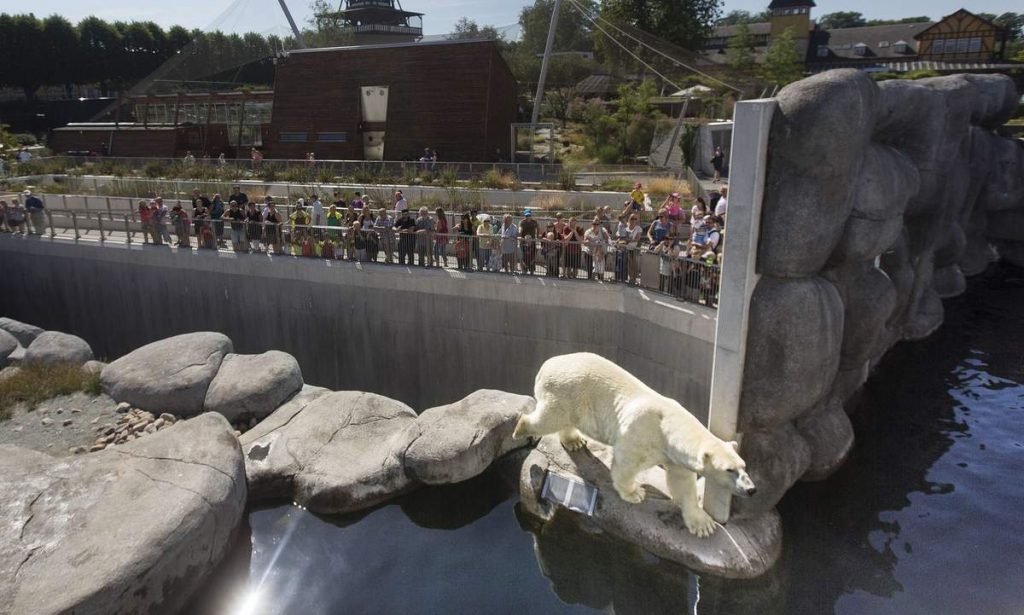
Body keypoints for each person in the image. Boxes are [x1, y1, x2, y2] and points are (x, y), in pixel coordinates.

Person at [519, 208, 539, 274]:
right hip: (524, 242)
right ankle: (523, 271)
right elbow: (520, 230)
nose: (528, 217)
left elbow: (537, 228)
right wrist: (520, 236)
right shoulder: (522, 222)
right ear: (525, 216)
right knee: (523, 256)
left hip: (532, 241)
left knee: (532, 255)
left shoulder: (534, 221)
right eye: (526, 216)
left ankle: (532, 271)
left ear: (531, 215)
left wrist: (537, 236)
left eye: (529, 215)